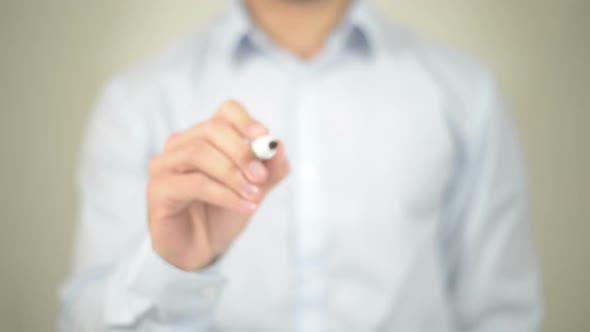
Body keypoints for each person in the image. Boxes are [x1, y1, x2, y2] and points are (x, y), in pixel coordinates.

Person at [59, 0, 542, 331]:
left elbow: (501, 316)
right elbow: (84, 319)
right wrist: (173, 269)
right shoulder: (136, 101)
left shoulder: (466, 95)